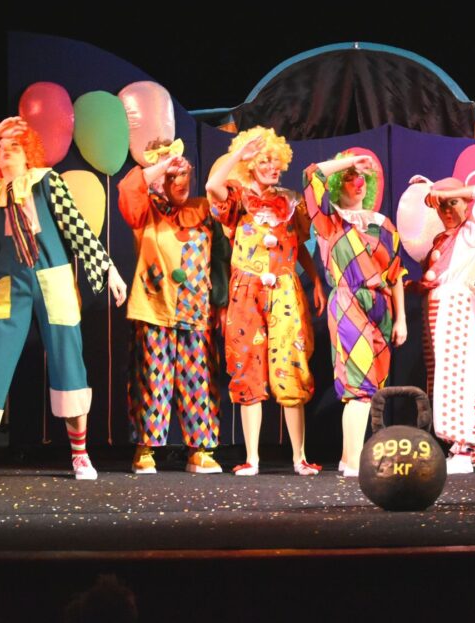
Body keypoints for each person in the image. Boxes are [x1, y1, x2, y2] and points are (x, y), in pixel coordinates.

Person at [0, 116, 127, 487]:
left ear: (28, 154)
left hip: (53, 277)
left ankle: (80, 455)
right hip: (12, 282)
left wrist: (109, 269)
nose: (7, 150)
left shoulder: (46, 181)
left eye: (15, 146)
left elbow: (77, 227)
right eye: (1, 148)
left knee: (68, 360)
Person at [205, 127, 326, 475]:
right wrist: (238, 154)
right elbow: (213, 185)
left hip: (285, 289)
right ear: (250, 165)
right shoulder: (238, 198)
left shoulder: (291, 201)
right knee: (247, 369)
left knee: (291, 367)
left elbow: (298, 244)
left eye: (275, 161)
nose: (272, 167)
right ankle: (252, 459)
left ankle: (299, 457)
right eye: (264, 161)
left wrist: (316, 279)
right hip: (246, 292)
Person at [118, 139, 229, 474]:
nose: (180, 183)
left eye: (183, 176)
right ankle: (145, 449)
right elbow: (129, 189)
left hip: (197, 312)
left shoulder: (202, 209)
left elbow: (221, 258)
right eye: (171, 177)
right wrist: (163, 165)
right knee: (152, 381)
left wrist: (220, 302)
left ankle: (200, 450)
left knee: (199, 382)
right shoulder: (146, 209)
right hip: (155, 309)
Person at [302, 152, 407, 477]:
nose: (358, 182)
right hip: (348, 303)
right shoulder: (330, 221)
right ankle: (354, 462)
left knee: (369, 389)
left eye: (361, 177)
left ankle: (349, 459)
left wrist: (401, 319)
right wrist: (349, 163)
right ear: (337, 185)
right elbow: (311, 174)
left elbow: (395, 273)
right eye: (349, 179)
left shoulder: (383, 224)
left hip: (382, 307)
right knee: (359, 387)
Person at [411, 174, 475, 473]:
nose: (446, 209)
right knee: (442, 378)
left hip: (457, 304)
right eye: (441, 204)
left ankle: (466, 446)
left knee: (458, 375)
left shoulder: (471, 231)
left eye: (453, 202)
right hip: (436, 305)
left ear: (464, 202)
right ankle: (457, 447)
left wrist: (447, 193)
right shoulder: (441, 239)